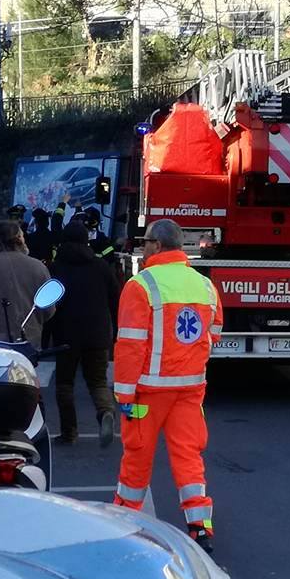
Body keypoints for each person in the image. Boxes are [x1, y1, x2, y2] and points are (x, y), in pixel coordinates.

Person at [112, 218, 223, 553]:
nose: (143, 248)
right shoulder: (204, 285)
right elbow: (214, 333)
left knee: (137, 457)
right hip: (189, 388)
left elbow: (131, 345)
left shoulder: (141, 285)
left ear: (157, 245)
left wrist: (123, 393)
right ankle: (200, 527)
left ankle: (124, 520)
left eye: (145, 242)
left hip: (147, 391)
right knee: (188, 456)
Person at [46, 223, 123, 447]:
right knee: (98, 381)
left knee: (64, 384)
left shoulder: (56, 268)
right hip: (97, 333)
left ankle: (69, 432)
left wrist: (46, 334)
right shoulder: (100, 266)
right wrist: (115, 329)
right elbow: (115, 300)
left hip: (66, 334)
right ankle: (105, 411)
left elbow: (48, 304)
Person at [0, 219, 55, 345]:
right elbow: (48, 309)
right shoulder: (37, 266)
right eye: (22, 236)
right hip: (27, 337)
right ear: (18, 238)